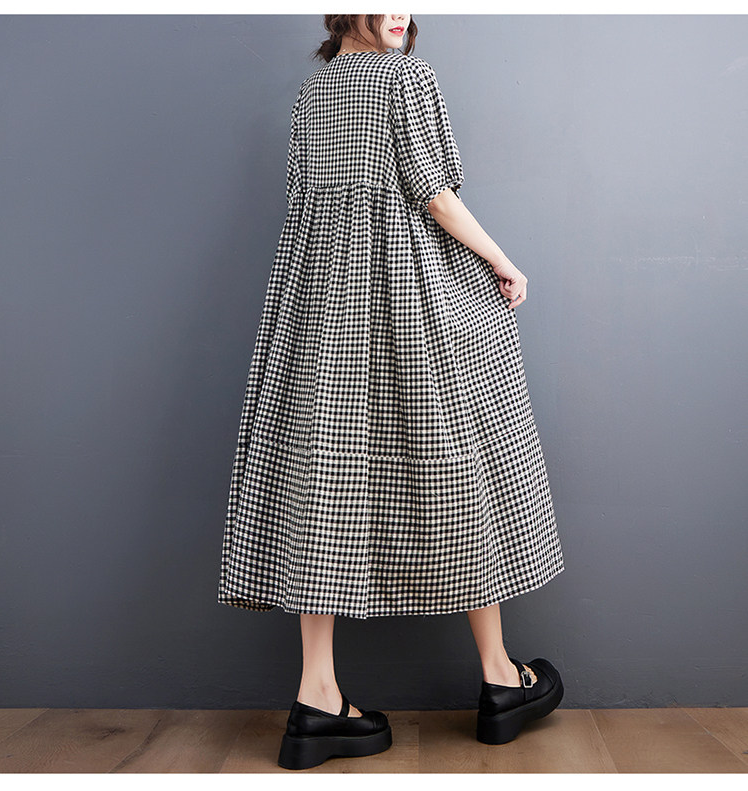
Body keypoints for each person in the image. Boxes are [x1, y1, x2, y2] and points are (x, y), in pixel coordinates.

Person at [217, 14, 566, 770]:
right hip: (408, 296)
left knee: (323, 477)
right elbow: (434, 196)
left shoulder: (311, 94)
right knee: (456, 457)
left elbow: (304, 205)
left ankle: (316, 696)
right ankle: (499, 678)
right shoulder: (409, 78)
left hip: (318, 305)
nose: (402, 9)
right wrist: (502, 261)